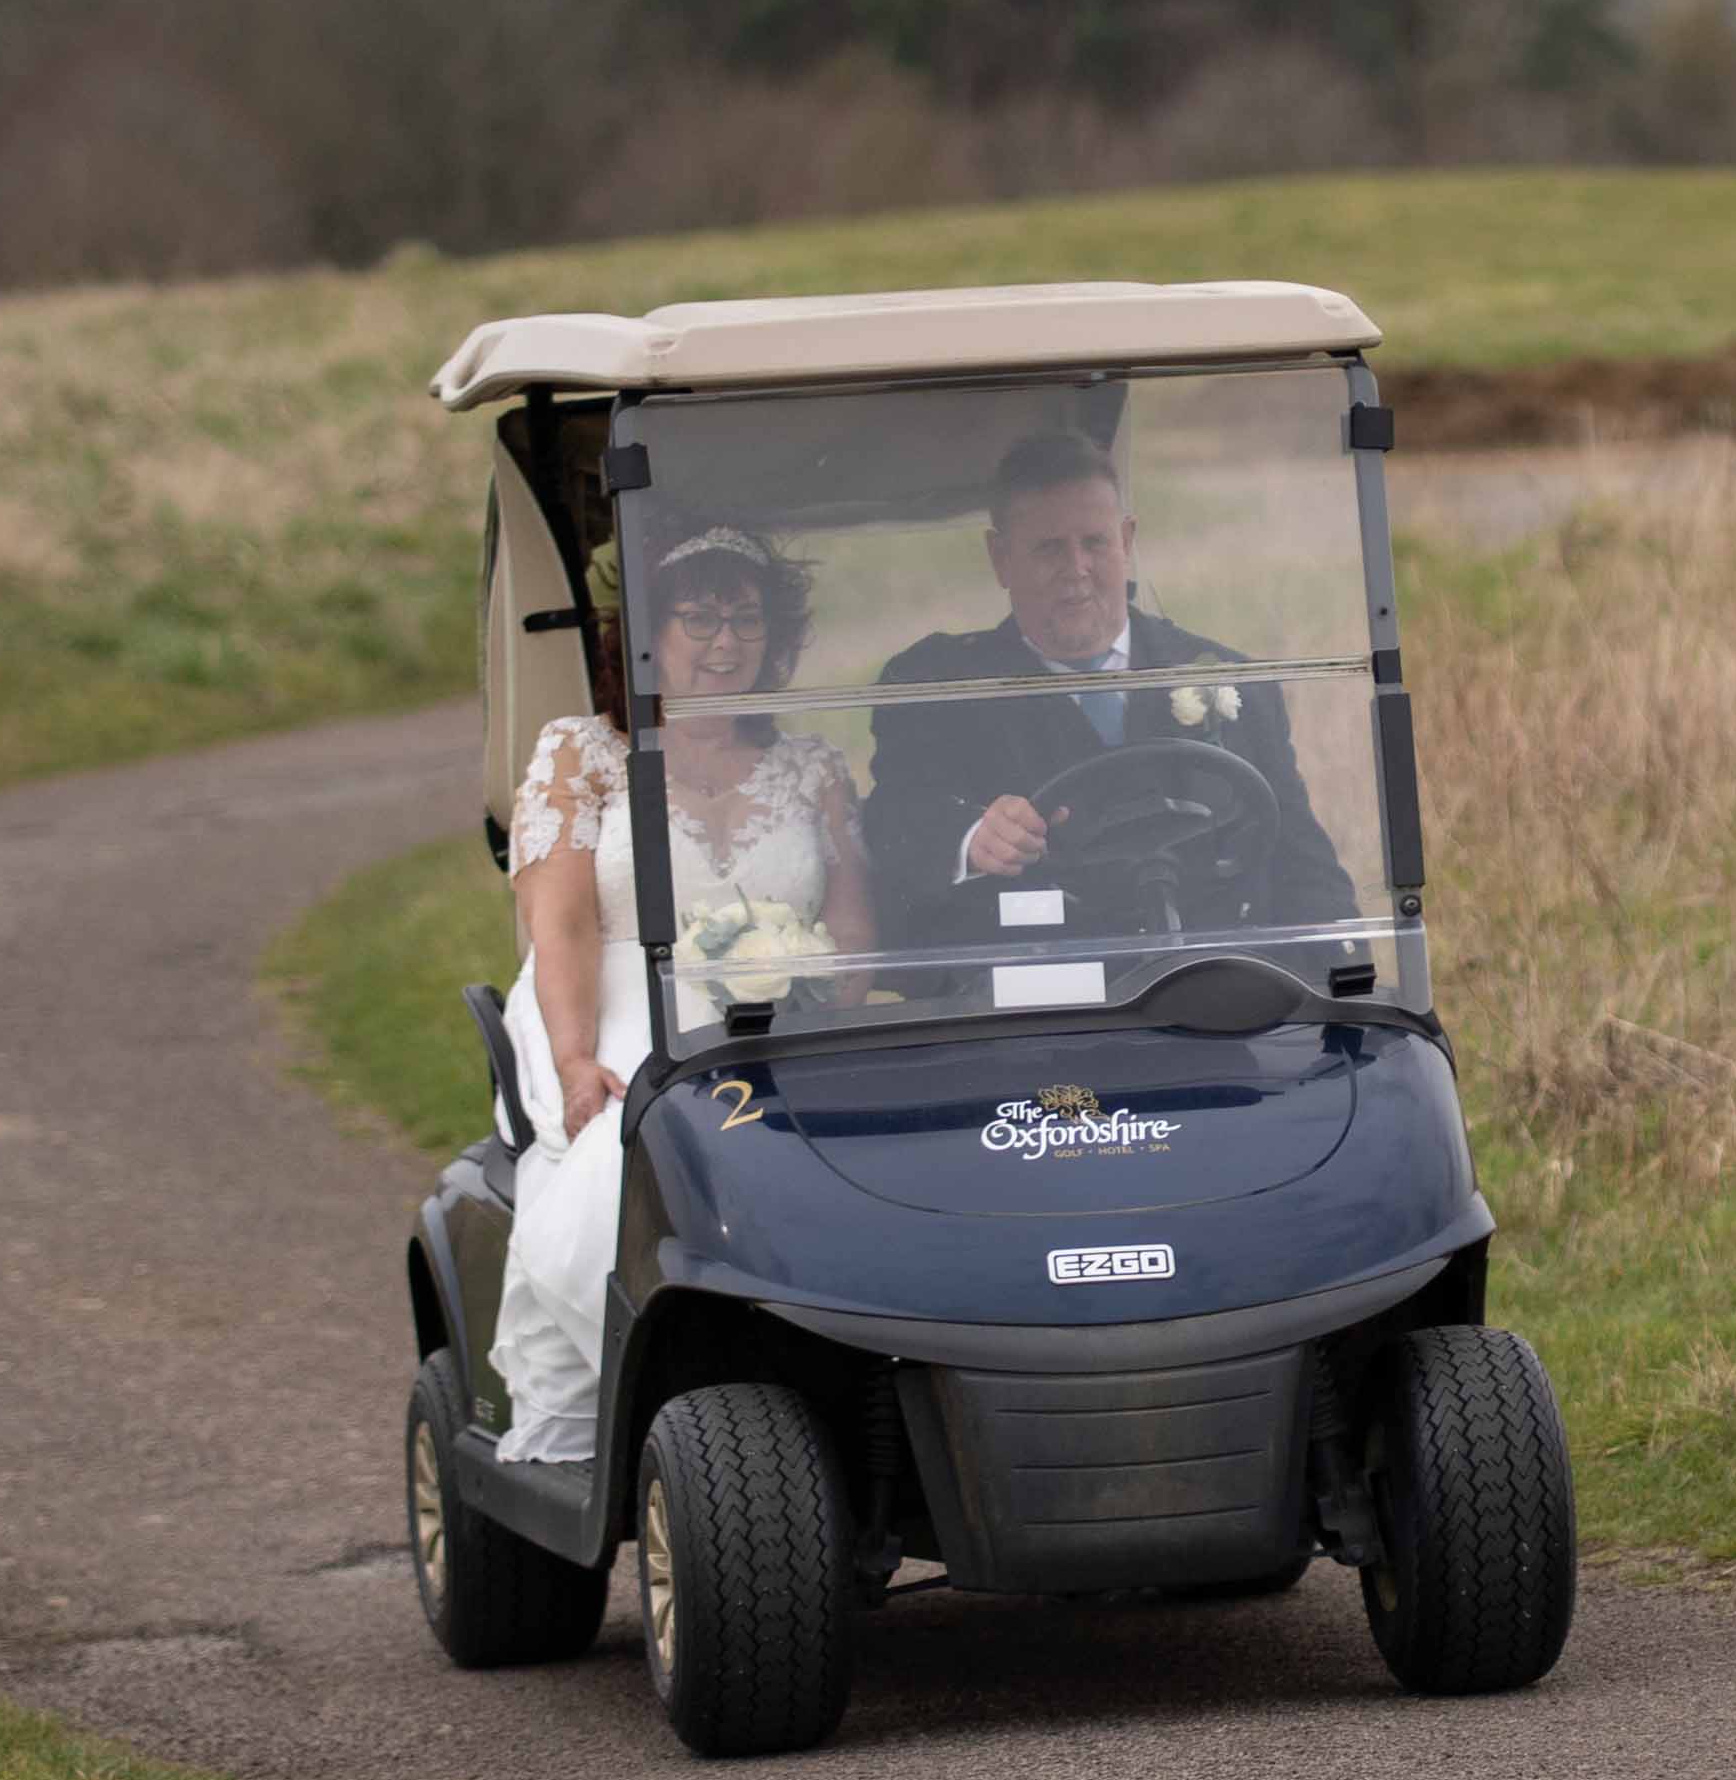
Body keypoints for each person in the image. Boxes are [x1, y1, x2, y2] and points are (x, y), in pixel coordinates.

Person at [479, 526, 870, 1483]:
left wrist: (823, 1000)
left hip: (777, 1014)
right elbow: (560, 924)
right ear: (647, 632)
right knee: (622, 1175)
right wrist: (576, 1060)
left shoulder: (810, 767)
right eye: (699, 618)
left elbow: (857, 935)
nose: (724, 641)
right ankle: (679, 1390)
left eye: (746, 618)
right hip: (614, 1000)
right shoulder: (584, 753)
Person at [862, 430, 1354, 951]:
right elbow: (896, 816)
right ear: (1000, 558)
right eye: (1050, 548)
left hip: (1219, 994)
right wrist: (973, 837)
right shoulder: (940, 691)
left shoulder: (1228, 679)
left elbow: (1304, 865)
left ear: (1127, 540)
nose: (1076, 570)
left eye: (1094, 543)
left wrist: (1346, 983)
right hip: (1041, 1002)